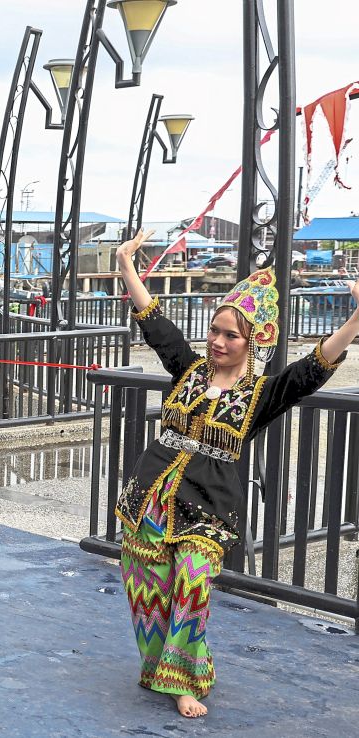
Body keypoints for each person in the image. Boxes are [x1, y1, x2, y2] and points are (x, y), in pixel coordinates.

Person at [115, 230, 358, 718]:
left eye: (231, 335)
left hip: (206, 506)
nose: (218, 341)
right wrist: (125, 264)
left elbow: (312, 369)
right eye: (215, 330)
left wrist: (356, 319)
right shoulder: (188, 371)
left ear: (253, 341)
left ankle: (185, 682)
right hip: (150, 497)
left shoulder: (262, 394)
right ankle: (162, 666)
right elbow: (155, 323)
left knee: (191, 583)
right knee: (148, 588)